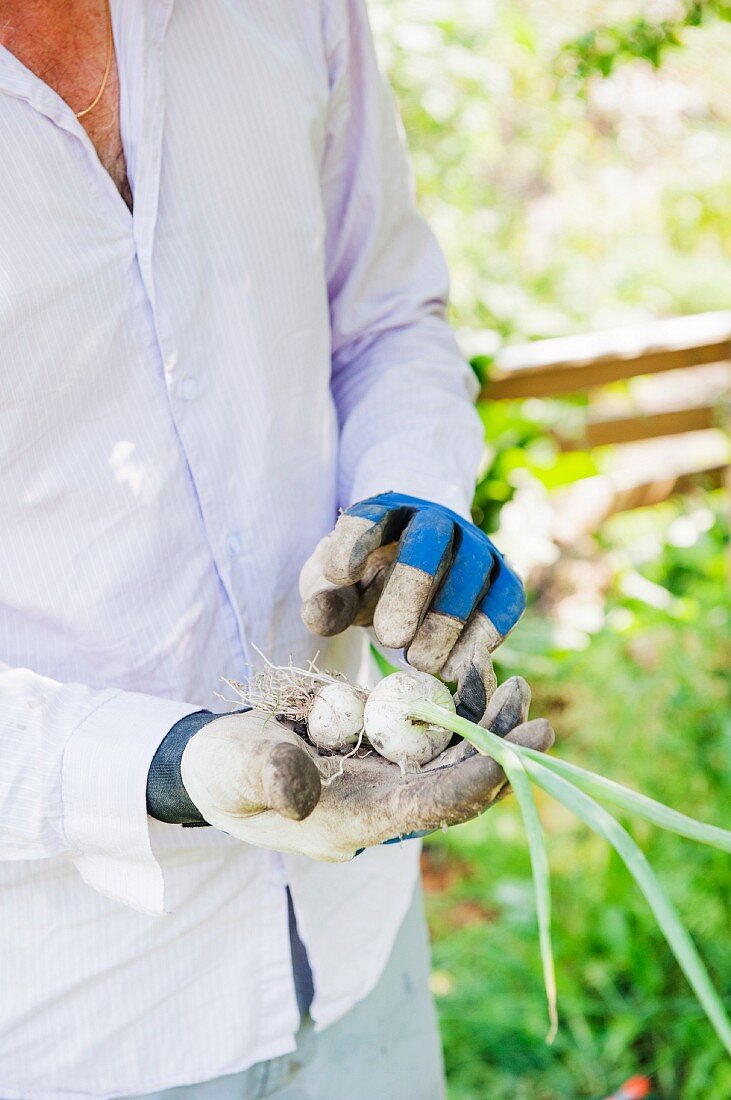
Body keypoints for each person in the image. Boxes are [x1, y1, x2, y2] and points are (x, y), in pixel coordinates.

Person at [0, 2, 553, 1098]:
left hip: (356, 954)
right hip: (68, 1015)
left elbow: (387, 315)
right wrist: (169, 766)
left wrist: (413, 497)